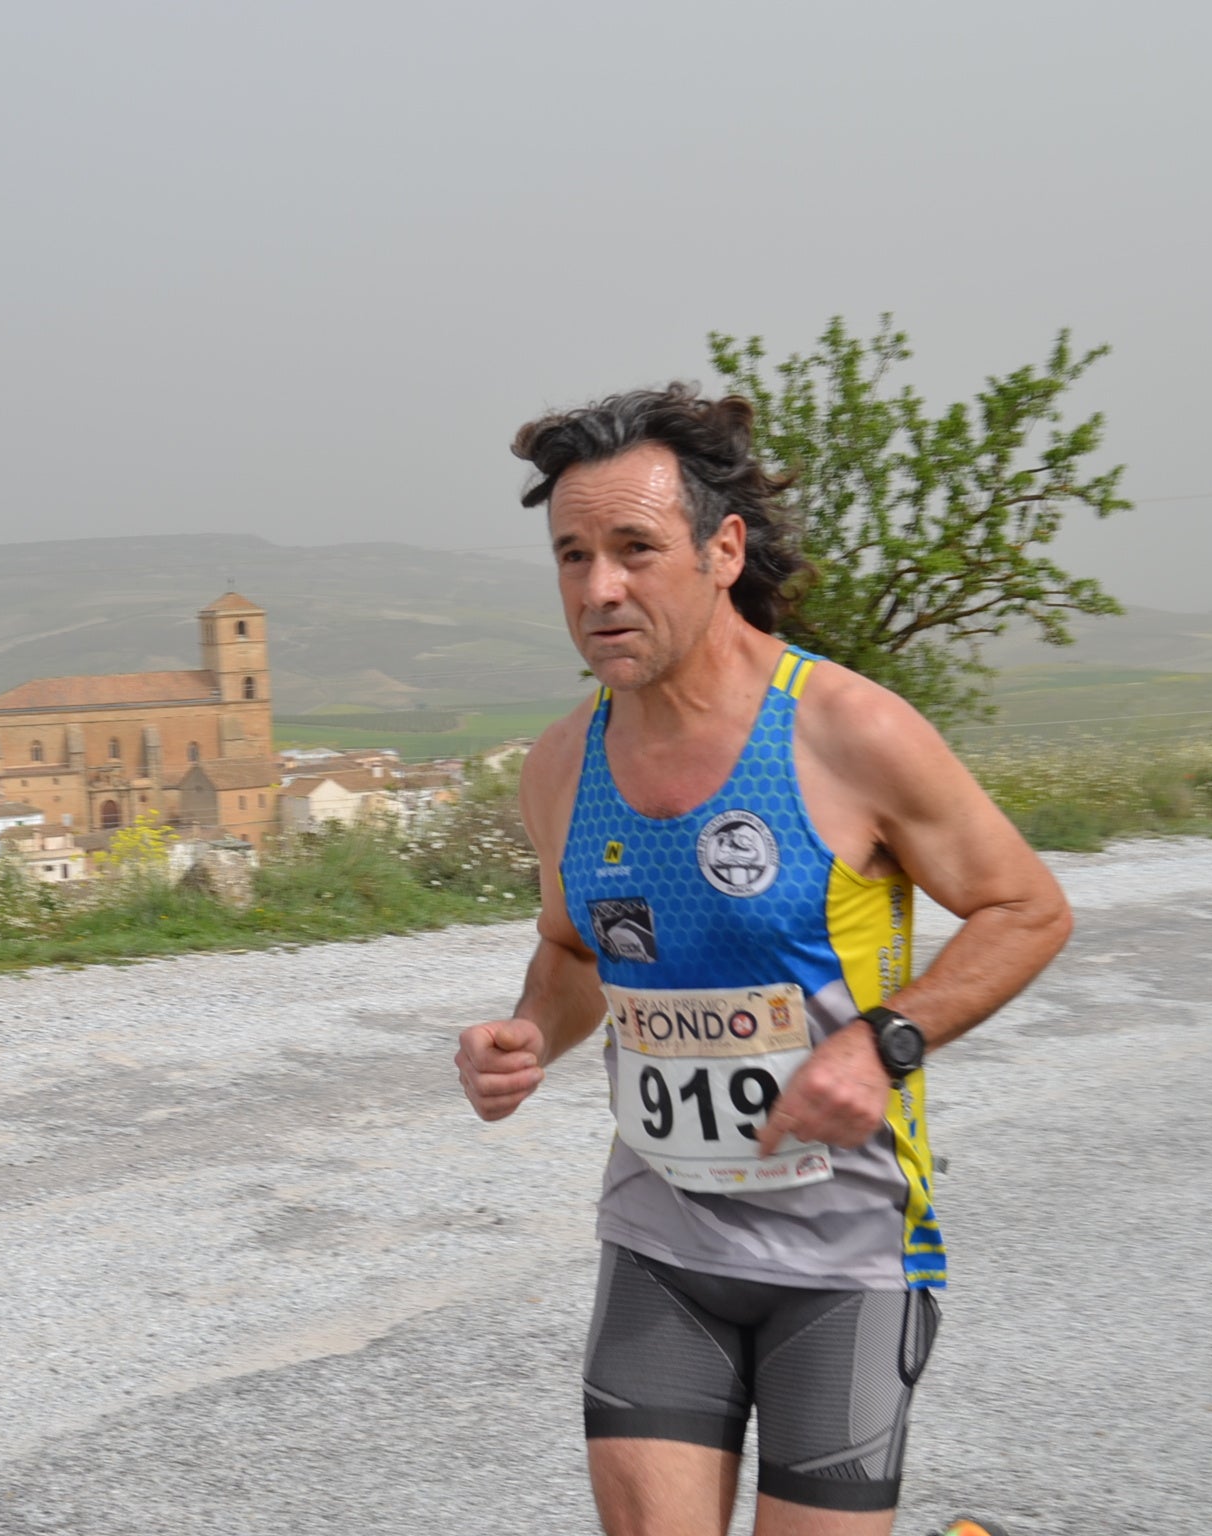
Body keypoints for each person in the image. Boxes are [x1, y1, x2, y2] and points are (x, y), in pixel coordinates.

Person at [454, 387, 1071, 1536]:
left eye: (635, 549)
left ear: (722, 549)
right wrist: (532, 1030)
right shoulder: (559, 769)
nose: (599, 590)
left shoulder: (847, 730)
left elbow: (1025, 909)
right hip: (662, 1242)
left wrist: (886, 1042)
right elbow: (570, 948)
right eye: (572, 556)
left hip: (848, 1257)